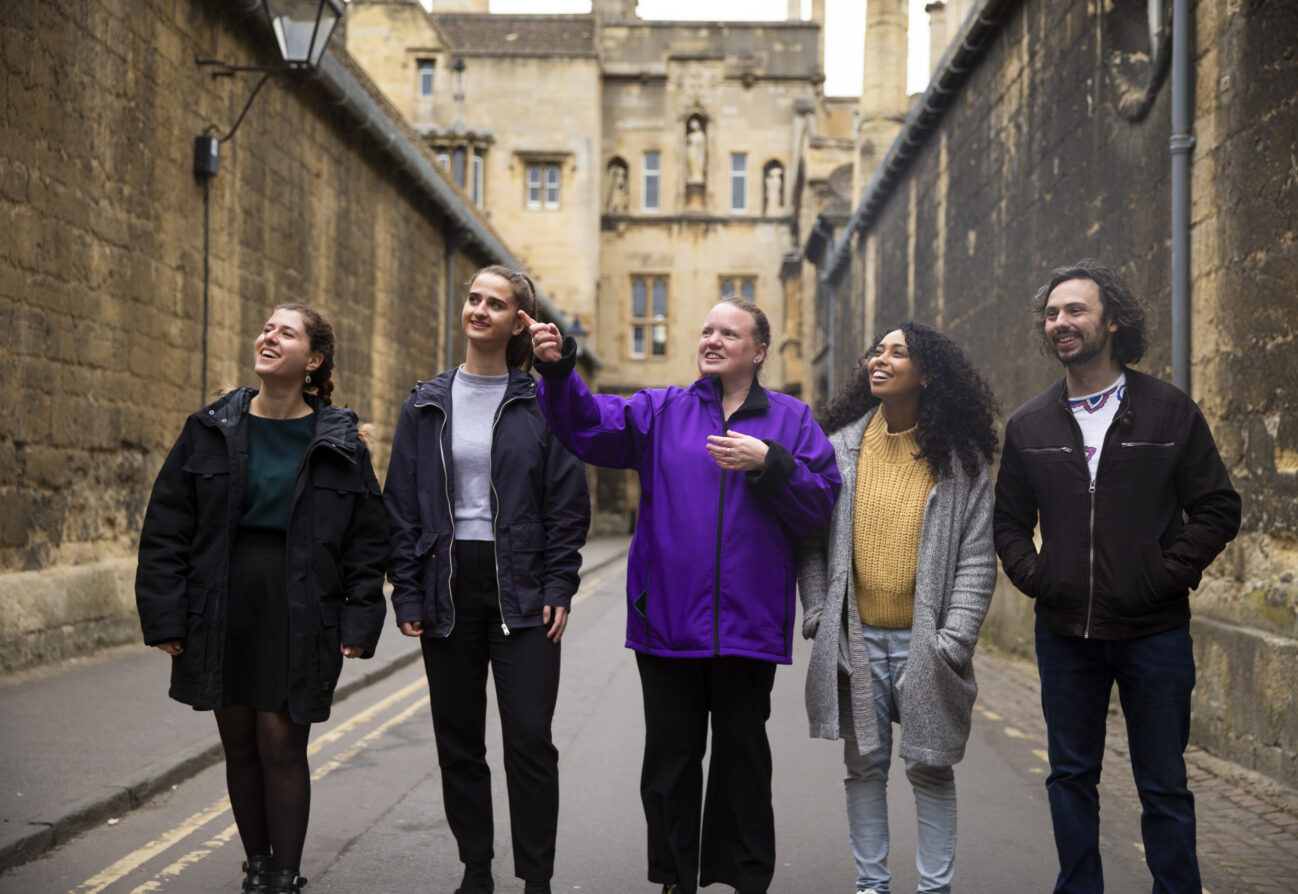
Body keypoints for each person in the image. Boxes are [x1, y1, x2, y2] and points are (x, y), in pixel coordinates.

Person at [521, 296, 841, 894]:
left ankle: (744, 876)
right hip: (667, 620)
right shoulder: (660, 410)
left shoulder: (792, 421)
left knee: (743, 760)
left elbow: (819, 503)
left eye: (730, 333)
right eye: (707, 330)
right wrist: (560, 371)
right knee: (669, 761)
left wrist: (769, 463)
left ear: (759, 351)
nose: (712, 340)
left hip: (748, 625)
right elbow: (587, 427)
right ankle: (675, 877)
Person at [993, 260, 1242, 894]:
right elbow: (1008, 525)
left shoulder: (1169, 411)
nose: (1061, 323)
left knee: (1162, 781)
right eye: (1052, 314)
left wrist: (1164, 574)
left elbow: (1218, 508)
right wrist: (1041, 577)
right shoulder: (1030, 424)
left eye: (1075, 310)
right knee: (1071, 776)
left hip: (1154, 630)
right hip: (1065, 632)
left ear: (1112, 320)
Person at [135, 303, 388, 894]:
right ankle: (255, 865)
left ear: (313, 360)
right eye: (268, 327)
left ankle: (284, 874)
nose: (270, 336)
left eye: (287, 332)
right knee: (240, 742)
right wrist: (167, 616)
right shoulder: (210, 427)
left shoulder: (341, 441)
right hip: (222, 600)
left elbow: (368, 541)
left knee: (281, 740)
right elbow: (166, 528)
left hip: (300, 605)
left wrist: (359, 619)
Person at [383, 265, 590, 894]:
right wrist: (410, 591)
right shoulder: (424, 403)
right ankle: (476, 867)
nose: (478, 309)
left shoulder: (539, 401)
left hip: (522, 585)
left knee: (530, 739)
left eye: (495, 304)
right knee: (459, 741)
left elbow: (566, 503)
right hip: (449, 582)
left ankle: (536, 876)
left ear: (516, 323)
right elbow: (401, 505)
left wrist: (560, 585)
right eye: (473, 298)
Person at [799, 324, 999, 894]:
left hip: (924, 642)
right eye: (877, 351)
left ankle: (933, 889)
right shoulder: (837, 447)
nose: (879, 360)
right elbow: (810, 540)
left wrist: (951, 642)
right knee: (864, 770)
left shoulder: (960, 462)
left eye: (898, 353)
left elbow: (977, 559)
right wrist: (818, 614)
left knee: (930, 769)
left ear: (927, 373)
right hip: (856, 640)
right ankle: (872, 887)